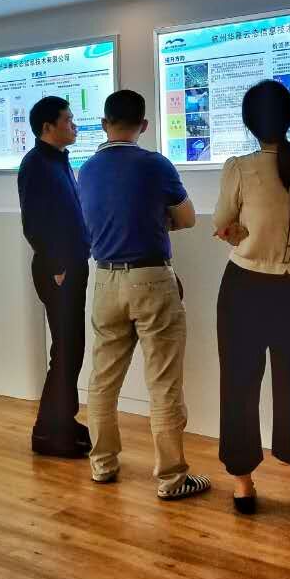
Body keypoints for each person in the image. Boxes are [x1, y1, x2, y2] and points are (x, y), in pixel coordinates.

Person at [77, 89, 212, 500]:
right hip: (152, 278)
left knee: (103, 380)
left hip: (104, 280)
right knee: (163, 383)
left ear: (104, 124)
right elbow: (187, 218)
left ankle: (102, 465)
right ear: (145, 125)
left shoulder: (86, 170)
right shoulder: (156, 164)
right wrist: (155, 221)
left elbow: (92, 224)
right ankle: (171, 479)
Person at [212, 79, 290, 515]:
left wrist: (241, 232)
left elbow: (224, 225)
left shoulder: (239, 168)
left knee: (239, 384)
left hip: (245, 286)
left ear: (248, 123)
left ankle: (243, 486)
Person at [17, 96, 92, 458]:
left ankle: (61, 420)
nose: (74, 125)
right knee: (65, 349)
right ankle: (47, 431)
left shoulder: (60, 161)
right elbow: (34, 222)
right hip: (57, 271)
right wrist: (57, 266)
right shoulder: (35, 164)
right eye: (68, 120)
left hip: (72, 266)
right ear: (48, 127)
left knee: (71, 348)